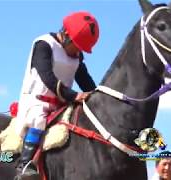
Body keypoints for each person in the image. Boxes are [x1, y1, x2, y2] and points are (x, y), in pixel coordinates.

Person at [14, 11, 99, 180]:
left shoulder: (77, 54)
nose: (78, 52)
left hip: (63, 103)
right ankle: (24, 165)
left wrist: (97, 96)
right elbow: (47, 77)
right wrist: (73, 95)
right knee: (38, 121)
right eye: (77, 46)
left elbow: (85, 80)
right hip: (37, 101)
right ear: (66, 35)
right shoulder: (44, 44)